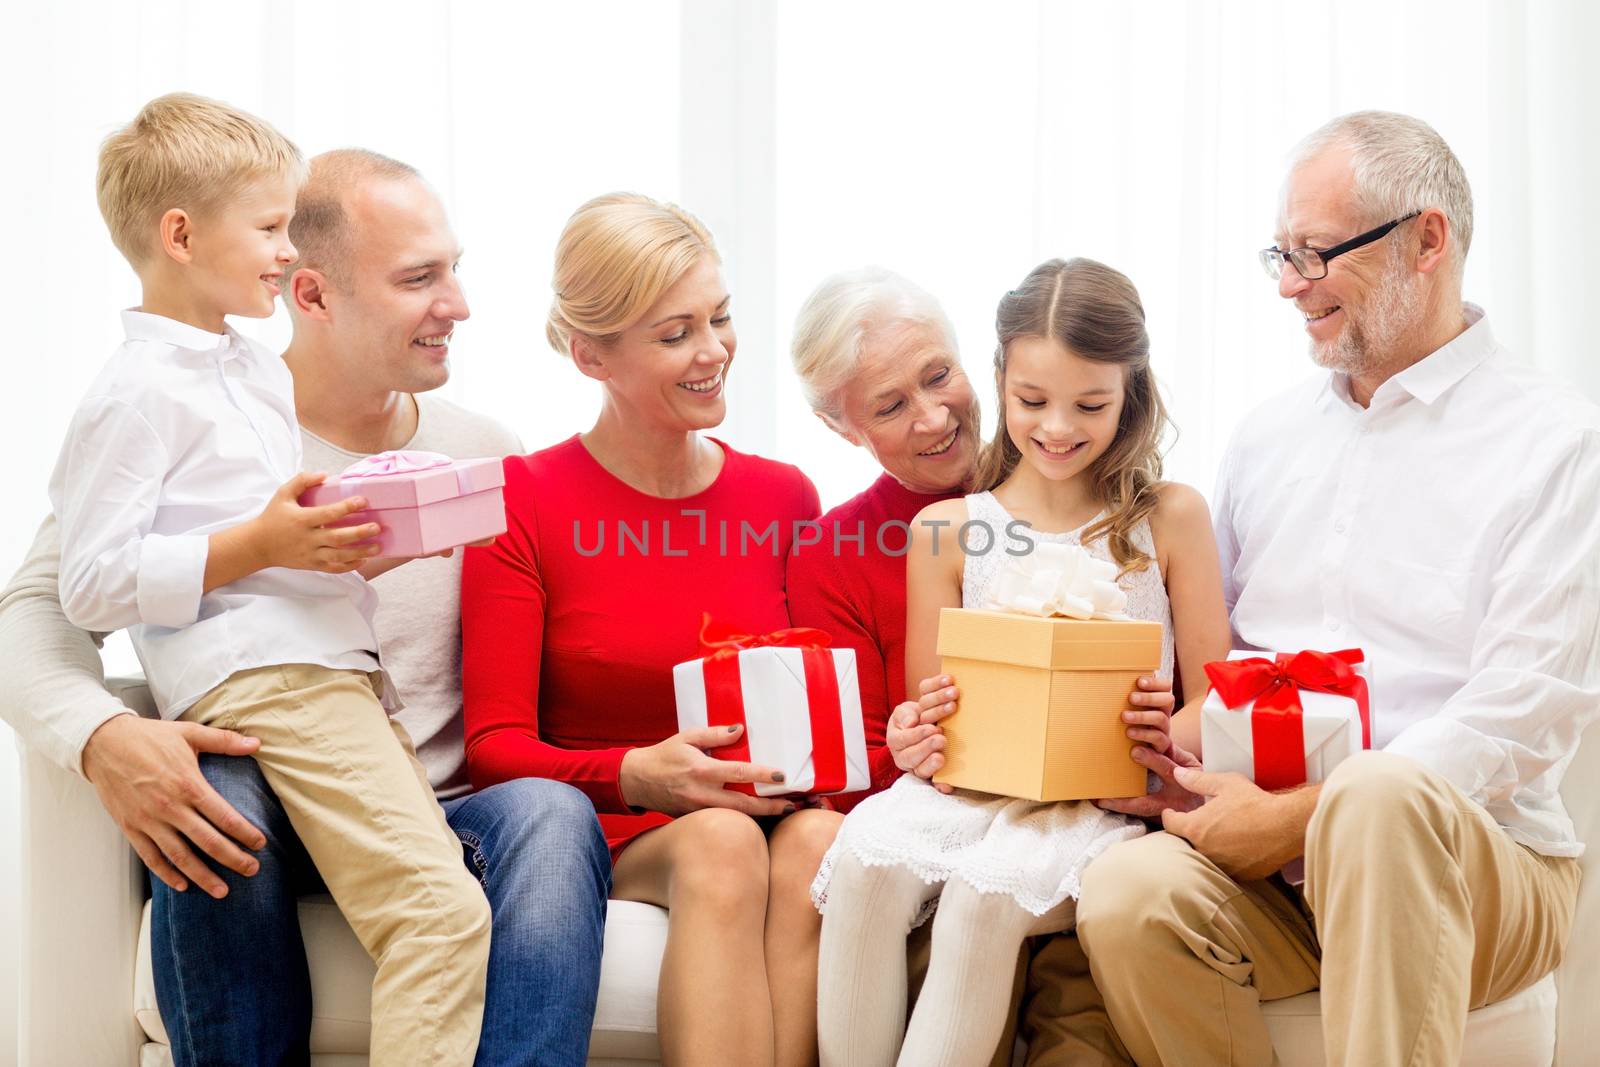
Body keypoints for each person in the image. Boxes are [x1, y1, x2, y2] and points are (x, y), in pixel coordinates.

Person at [0, 140, 609, 1067]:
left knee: (552, 817)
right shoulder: (199, 421)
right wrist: (102, 735)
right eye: (420, 279)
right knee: (221, 790)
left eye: (456, 270)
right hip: (272, 786)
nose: (460, 305)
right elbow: (43, 603)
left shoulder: (479, 448)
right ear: (313, 294)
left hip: (429, 795)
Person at [1073, 110, 1600, 1067]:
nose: (1288, 286)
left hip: (1479, 865)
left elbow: (1522, 712)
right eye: (1279, 253)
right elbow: (1211, 660)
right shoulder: (1266, 439)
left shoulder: (1558, 441)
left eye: (1315, 254)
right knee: (1126, 897)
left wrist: (1308, 810)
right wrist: (1171, 748)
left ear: (1426, 240)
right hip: (1268, 869)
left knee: (1379, 798)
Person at [810, 257, 1230, 1066]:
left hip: (1100, 802)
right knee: (863, 866)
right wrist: (911, 735)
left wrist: (1162, 735)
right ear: (998, 378)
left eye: (1091, 405)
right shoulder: (947, 528)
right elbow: (928, 714)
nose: (1059, 428)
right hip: (971, 793)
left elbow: (1215, 700)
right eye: (1032, 401)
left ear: (1131, 392)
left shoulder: (1169, 517)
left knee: (983, 898)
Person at [460, 192, 835, 1067]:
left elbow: (809, 696)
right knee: (719, 839)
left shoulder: (784, 498)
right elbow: (494, 746)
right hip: (613, 819)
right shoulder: (521, 500)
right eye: (676, 334)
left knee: (816, 836)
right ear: (592, 353)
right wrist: (638, 773)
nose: (714, 352)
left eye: (722, 317)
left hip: (758, 807)